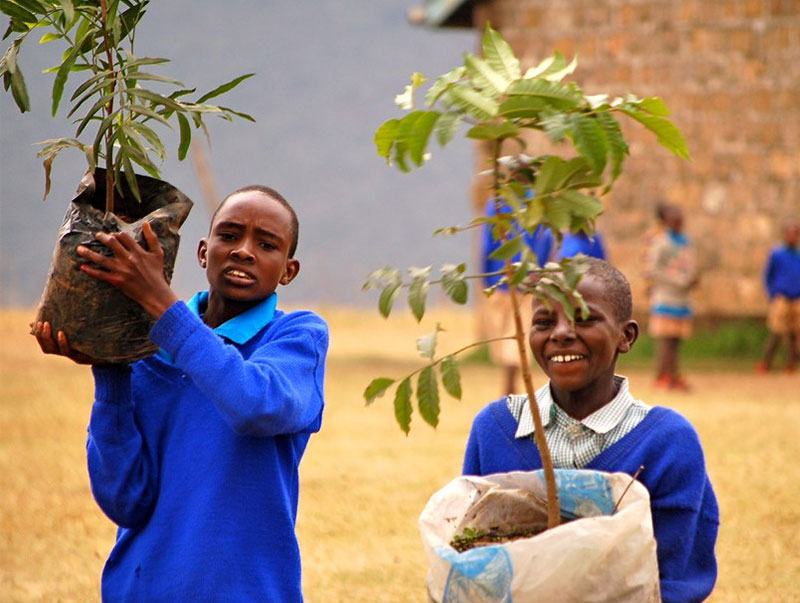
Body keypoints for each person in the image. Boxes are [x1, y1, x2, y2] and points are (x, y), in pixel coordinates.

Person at [33, 185, 328, 602]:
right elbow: (125, 500)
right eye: (229, 235)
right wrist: (110, 364)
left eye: (266, 244)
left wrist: (160, 303)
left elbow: (254, 406)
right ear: (203, 253)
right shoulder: (145, 351)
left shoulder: (297, 337)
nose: (244, 251)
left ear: (288, 270)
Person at [463, 258, 718, 603]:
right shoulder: (495, 429)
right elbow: (472, 559)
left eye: (584, 318)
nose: (562, 333)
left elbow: (675, 580)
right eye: (544, 321)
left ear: (625, 337)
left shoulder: (668, 443)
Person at [645, 203, 698, 390]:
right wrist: (677, 281)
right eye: (675, 221)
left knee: (676, 339)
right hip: (666, 296)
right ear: (667, 222)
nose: (679, 223)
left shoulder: (686, 241)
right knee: (665, 340)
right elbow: (653, 269)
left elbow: (691, 264)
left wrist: (692, 278)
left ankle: (674, 374)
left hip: (682, 299)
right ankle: (663, 375)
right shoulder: (661, 242)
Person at [757, 219, 800, 373]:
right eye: (790, 234)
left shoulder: (798, 255)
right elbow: (768, 275)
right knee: (776, 331)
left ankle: (791, 364)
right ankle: (766, 363)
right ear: (785, 235)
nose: (793, 237)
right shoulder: (777, 254)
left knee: (794, 334)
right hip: (781, 297)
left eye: (796, 234)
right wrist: (772, 294)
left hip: (797, 299)